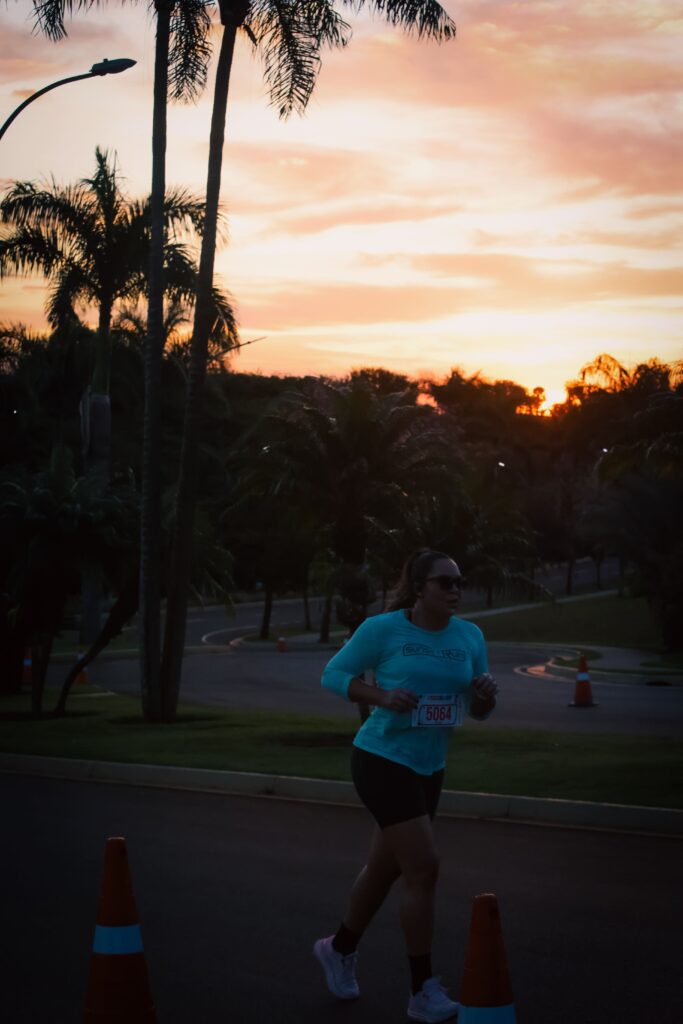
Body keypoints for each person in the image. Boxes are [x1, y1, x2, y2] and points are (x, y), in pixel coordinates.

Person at [313, 549, 498, 1023]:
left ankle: (339, 947)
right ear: (420, 588)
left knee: (384, 868)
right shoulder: (384, 629)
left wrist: (482, 699)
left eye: (460, 582)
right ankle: (422, 991)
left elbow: (477, 710)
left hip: (428, 766)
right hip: (380, 758)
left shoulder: (469, 636)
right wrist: (382, 696)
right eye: (445, 582)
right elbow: (333, 675)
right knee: (424, 868)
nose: (456, 590)